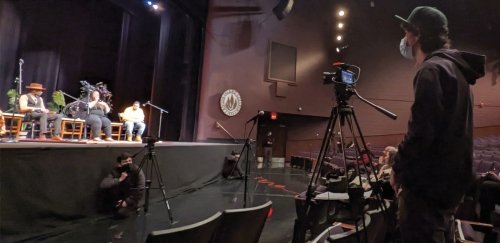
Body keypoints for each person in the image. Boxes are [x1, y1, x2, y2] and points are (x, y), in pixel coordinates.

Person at [391, 6, 485, 242]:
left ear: (417, 35)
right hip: (446, 190)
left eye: (406, 33)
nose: (404, 39)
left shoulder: (431, 70)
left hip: (426, 194)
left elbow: (421, 133)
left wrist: (398, 167)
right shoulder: (456, 71)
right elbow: (443, 132)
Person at [100, 152, 145, 218]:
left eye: (129, 161)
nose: (128, 163)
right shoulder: (116, 171)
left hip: (132, 198)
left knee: (121, 214)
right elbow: (103, 184)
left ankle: (132, 208)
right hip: (120, 197)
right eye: (125, 162)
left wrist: (127, 201)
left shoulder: (137, 170)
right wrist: (119, 179)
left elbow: (141, 188)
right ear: (119, 164)